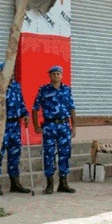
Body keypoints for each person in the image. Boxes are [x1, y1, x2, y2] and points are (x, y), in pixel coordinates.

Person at [32, 65, 76, 195]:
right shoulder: (43, 90)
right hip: (49, 126)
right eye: (53, 74)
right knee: (48, 154)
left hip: (64, 126)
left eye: (58, 74)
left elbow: (72, 108)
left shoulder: (67, 89)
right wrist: (36, 126)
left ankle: (63, 183)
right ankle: (50, 184)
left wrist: (74, 126)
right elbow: (35, 108)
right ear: (49, 76)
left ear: (61, 75)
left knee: (65, 154)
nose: (56, 76)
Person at [0, 62, 33, 195]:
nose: (11, 74)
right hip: (2, 125)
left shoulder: (16, 87)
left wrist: (25, 114)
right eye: (8, 71)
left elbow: (21, 103)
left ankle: (15, 182)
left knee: (15, 154)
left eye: (12, 71)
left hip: (15, 125)